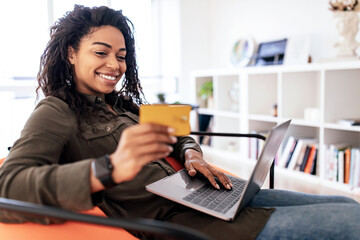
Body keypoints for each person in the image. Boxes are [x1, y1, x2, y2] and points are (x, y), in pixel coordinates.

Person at [0, 5, 359, 240]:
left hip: (204, 194)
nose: (115, 64)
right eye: (101, 52)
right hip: (185, 223)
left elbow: (177, 136)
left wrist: (191, 154)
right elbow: (9, 185)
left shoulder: (122, 106)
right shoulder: (56, 109)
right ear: (71, 53)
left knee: (349, 206)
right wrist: (109, 168)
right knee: (351, 224)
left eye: (122, 56)